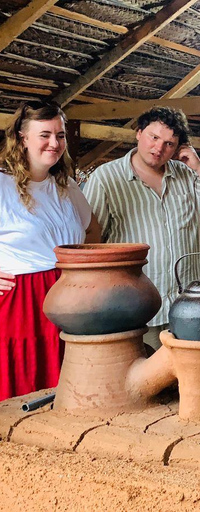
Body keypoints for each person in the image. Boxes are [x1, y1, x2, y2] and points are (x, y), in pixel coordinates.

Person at [84, 106, 200, 349]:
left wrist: (198, 167)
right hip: (137, 308)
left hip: (189, 306)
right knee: (147, 381)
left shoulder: (187, 174)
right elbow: (91, 243)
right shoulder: (106, 179)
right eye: (153, 137)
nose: (158, 148)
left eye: (169, 143)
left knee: (193, 380)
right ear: (138, 133)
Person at [0, 100, 100, 401]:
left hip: (69, 297)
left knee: (68, 384)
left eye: (60, 135)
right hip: (22, 301)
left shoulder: (67, 187)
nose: (54, 143)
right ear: (22, 137)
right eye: (44, 134)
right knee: (24, 384)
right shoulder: (1, 186)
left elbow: (92, 231)